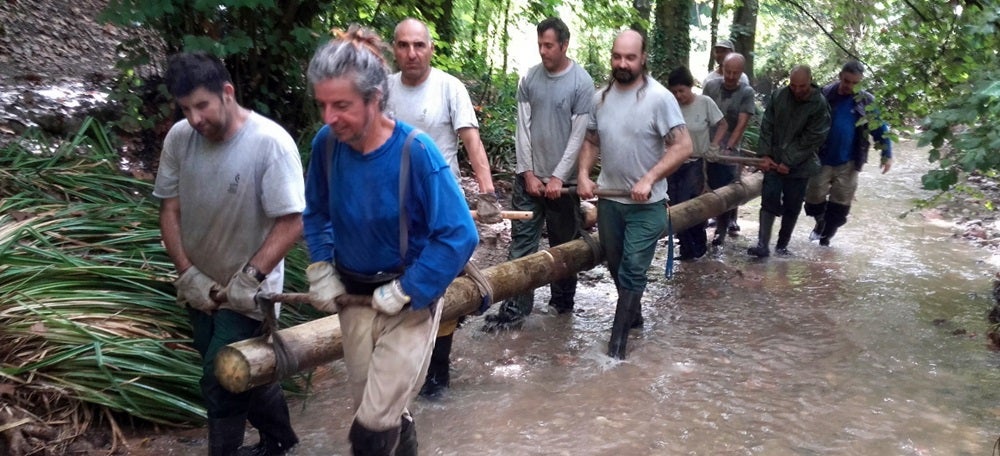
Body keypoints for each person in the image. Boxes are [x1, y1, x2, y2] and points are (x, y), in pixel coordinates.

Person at [301, 25, 478, 455]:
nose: (328, 118)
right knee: (376, 407)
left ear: (374, 99)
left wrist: (408, 289)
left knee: (371, 425)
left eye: (341, 105)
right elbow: (317, 213)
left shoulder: (416, 153)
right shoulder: (326, 145)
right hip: (353, 298)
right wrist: (322, 264)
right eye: (322, 105)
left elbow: (459, 235)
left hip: (409, 305)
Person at [154, 52, 302, 456]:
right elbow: (169, 208)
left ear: (227, 93)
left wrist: (249, 277)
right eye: (185, 109)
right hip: (200, 286)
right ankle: (280, 442)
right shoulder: (179, 139)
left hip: (248, 292)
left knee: (220, 380)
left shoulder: (270, 144)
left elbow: (291, 221)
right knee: (239, 373)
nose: (194, 118)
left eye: (201, 105)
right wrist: (187, 273)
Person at [386, 17, 501, 399]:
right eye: (403, 46)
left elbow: (472, 142)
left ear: (431, 48)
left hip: (439, 206)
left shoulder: (449, 88)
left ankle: (437, 377)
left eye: (419, 45)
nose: (411, 53)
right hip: (392, 208)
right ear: (394, 49)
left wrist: (487, 194)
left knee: (439, 283)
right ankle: (399, 370)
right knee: (392, 285)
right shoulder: (383, 90)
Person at [577, 29, 692, 359]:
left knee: (632, 270)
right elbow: (591, 141)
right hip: (610, 201)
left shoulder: (660, 98)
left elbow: (683, 146)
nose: (622, 63)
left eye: (630, 57)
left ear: (643, 59)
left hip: (647, 204)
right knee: (616, 267)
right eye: (617, 56)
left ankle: (615, 352)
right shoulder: (600, 98)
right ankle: (635, 317)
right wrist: (584, 174)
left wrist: (649, 178)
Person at [481, 17, 595, 332]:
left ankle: (562, 307)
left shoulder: (581, 83)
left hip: (565, 185)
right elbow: (523, 129)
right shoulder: (530, 78)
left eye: (549, 46)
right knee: (522, 246)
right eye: (540, 45)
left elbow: (578, 136)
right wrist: (528, 172)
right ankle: (514, 312)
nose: (543, 51)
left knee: (564, 247)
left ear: (564, 45)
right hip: (528, 180)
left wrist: (558, 177)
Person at [804, 60, 892, 246]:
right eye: (846, 81)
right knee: (813, 200)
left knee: (840, 206)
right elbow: (805, 122)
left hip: (850, 161)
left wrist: (886, 154)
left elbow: (879, 128)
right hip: (820, 158)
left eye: (854, 83)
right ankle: (820, 223)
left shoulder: (866, 101)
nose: (849, 86)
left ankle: (826, 239)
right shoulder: (824, 95)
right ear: (840, 76)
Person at [748, 65, 831, 258]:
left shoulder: (819, 104)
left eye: (802, 86)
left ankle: (782, 246)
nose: (797, 90)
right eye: (793, 85)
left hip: (801, 165)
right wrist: (765, 155)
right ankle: (762, 245)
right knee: (769, 199)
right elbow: (767, 125)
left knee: (793, 205)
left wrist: (789, 161)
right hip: (774, 159)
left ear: (810, 82)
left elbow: (814, 137)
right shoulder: (779, 96)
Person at [666, 66, 727, 260]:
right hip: (674, 163)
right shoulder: (670, 106)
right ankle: (686, 250)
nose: (678, 95)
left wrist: (715, 145)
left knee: (691, 203)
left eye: (681, 91)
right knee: (675, 205)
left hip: (695, 162)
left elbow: (723, 124)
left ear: (690, 87)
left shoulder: (704, 102)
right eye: (674, 92)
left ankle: (699, 248)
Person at [702, 53, 756, 246]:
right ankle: (702, 223)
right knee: (705, 186)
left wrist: (728, 148)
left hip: (730, 147)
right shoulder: (711, 86)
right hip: (708, 143)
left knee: (726, 187)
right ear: (722, 69)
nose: (731, 76)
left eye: (736, 73)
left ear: (741, 73)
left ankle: (722, 229)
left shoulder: (746, 92)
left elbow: (741, 124)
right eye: (728, 71)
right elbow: (703, 113)